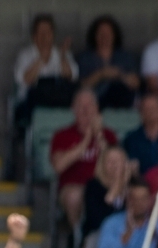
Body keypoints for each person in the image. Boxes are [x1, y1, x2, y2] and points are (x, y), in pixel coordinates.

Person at [49, 89, 117, 231]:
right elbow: (59, 166)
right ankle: (77, 237)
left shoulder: (108, 135)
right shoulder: (62, 135)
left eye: (89, 105)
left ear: (97, 109)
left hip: (103, 186)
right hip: (74, 187)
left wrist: (98, 135)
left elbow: (115, 164)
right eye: (80, 105)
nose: (85, 110)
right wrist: (86, 140)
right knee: (75, 196)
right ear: (73, 109)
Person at [12, 14, 77, 122]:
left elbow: (70, 76)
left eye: (48, 32)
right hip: (31, 102)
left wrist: (62, 56)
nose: (44, 36)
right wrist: (41, 58)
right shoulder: (25, 55)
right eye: (40, 32)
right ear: (34, 36)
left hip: (57, 99)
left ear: (53, 34)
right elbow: (25, 80)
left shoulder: (62, 54)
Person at [78, 16, 140, 110]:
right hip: (95, 101)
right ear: (94, 36)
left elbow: (136, 83)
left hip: (122, 101)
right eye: (100, 33)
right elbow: (81, 86)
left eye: (108, 33)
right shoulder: (85, 58)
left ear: (114, 35)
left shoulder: (125, 57)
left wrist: (119, 75)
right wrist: (101, 74)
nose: (104, 37)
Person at [80, 145, 129, 248]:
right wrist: (116, 187)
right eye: (110, 161)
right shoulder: (93, 186)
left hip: (130, 234)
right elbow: (97, 219)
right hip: (99, 233)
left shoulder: (133, 185)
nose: (114, 165)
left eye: (118, 160)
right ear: (102, 165)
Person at [123, 94, 158, 178]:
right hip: (142, 184)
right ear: (140, 113)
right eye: (146, 109)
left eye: (153, 108)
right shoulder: (131, 139)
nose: (150, 112)